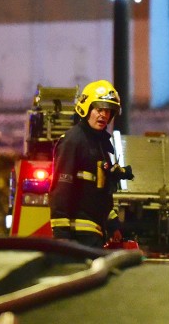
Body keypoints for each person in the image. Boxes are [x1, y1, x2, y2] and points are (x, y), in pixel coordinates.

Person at [49, 79, 134, 247]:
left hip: (94, 232)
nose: (104, 115)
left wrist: (113, 225)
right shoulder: (74, 141)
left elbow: (100, 192)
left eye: (108, 111)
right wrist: (62, 236)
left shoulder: (99, 144)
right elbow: (61, 189)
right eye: (99, 109)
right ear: (86, 108)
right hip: (78, 234)